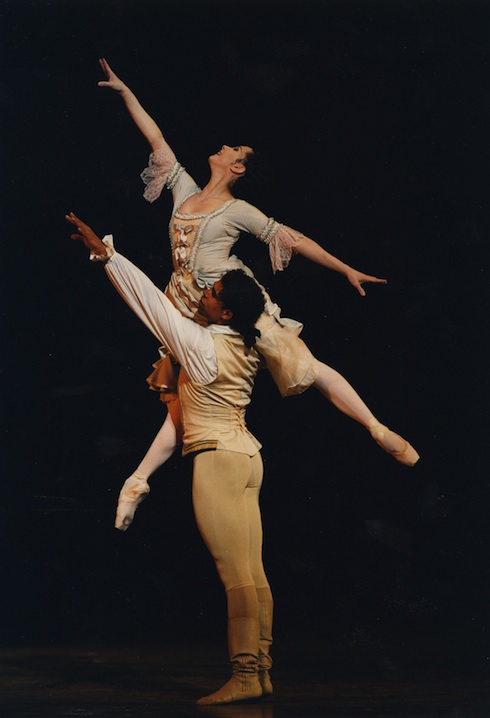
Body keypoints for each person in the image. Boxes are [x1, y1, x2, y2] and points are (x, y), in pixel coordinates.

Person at [96, 58, 419, 531]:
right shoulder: (185, 189)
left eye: (233, 148)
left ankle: (376, 427)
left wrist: (346, 268)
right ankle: (138, 480)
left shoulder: (238, 209)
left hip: (236, 300)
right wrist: (126, 93)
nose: (224, 146)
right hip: (190, 306)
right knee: (189, 402)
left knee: (304, 364)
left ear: (238, 166)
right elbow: (156, 139)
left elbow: (293, 238)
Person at [67, 212, 274, 705]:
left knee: (236, 575)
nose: (203, 293)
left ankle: (246, 675)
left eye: (212, 292)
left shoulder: (201, 345)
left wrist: (108, 256)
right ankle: (260, 669)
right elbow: (179, 413)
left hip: (219, 463)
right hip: (247, 458)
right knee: (253, 572)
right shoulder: (244, 346)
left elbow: (152, 306)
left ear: (224, 312)